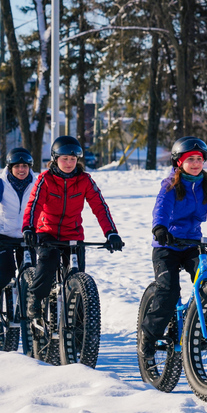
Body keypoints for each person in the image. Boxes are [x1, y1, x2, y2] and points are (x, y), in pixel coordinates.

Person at [138, 136, 207, 363]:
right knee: (168, 291)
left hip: (192, 244)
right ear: (179, 162)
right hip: (167, 244)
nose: (196, 163)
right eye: (190, 159)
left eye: (199, 159)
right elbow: (162, 207)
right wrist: (159, 227)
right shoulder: (171, 184)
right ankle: (148, 336)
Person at [22, 136, 123, 318]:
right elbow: (34, 205)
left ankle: (77, 326)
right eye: (64, 159)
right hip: (47, 233)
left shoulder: (84, 180)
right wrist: (29, 228)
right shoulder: (45, 180)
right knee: (49, 260)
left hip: (73, 234)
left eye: (73, 159)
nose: (69, 163)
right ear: (55, 159)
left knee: (77, 276)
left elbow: (100, 207)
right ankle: (36, 298)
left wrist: (111, 233)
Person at [0, 147, 37, 315]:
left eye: (25, 166)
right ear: (10, 167)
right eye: (17, 166)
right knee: (7, 269)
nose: (21, 170)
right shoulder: (2, 183)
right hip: (0, 235)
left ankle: (28, 311)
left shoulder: (37, 183)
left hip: (25, 235)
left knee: (30, 270)